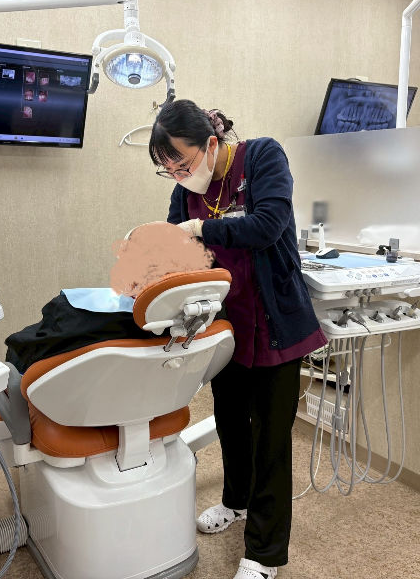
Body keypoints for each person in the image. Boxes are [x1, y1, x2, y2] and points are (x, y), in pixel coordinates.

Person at [148, 99, 327, 579]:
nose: (181, 177)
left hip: (275, 320)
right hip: (225, 324)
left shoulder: (263, 156)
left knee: (271, 439)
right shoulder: (185, 191)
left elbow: (267, 226)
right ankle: (236, 501)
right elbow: (179, 248)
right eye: (170, 171)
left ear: (211, 144)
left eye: (184, 164)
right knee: (230, 420)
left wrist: (201, 228)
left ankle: (265, 554)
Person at [5, 221, 213, 374]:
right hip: (151, 403)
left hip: (73, 407)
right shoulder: (195, 324)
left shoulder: (71, 310)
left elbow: (22, 353)